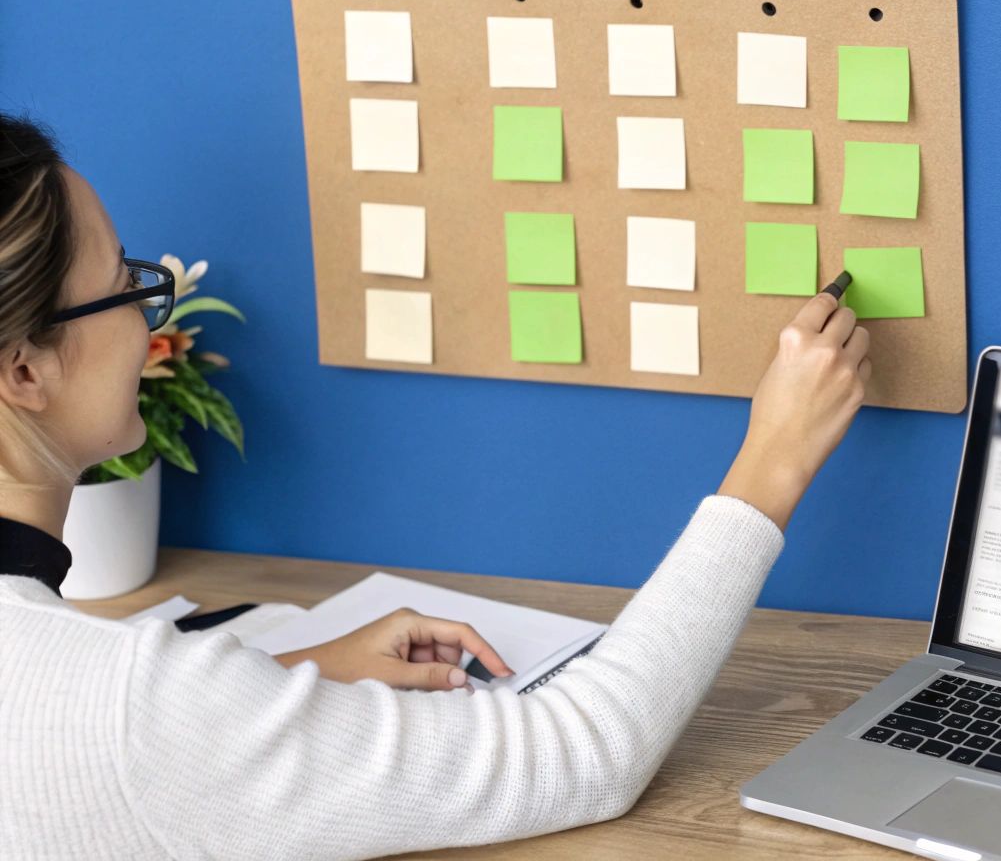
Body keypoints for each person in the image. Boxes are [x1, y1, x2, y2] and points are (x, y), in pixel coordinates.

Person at [0, 111, 871, 858]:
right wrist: (776, 458)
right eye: (124, 286)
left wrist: (282, 679)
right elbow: (587, 751)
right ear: (25, 373)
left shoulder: (114, 701)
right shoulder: (133, 709)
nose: (147, 315)